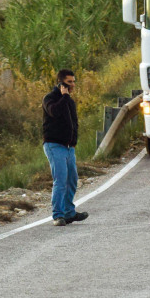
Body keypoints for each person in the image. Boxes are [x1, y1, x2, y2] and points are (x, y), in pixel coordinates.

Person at [42, 69, 88, 227]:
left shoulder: (69, 101)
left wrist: (74, 141)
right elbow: (54, 112)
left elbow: (74, 122)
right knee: (60, 180)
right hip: (54, 145)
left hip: (69, 147)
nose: (73, 85)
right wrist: (64, 96)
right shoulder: (50, 98)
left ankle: (69, 213)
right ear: (61, 83)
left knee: (72, 180)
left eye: (74, 82)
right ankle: (58, 215)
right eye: (69, 82)